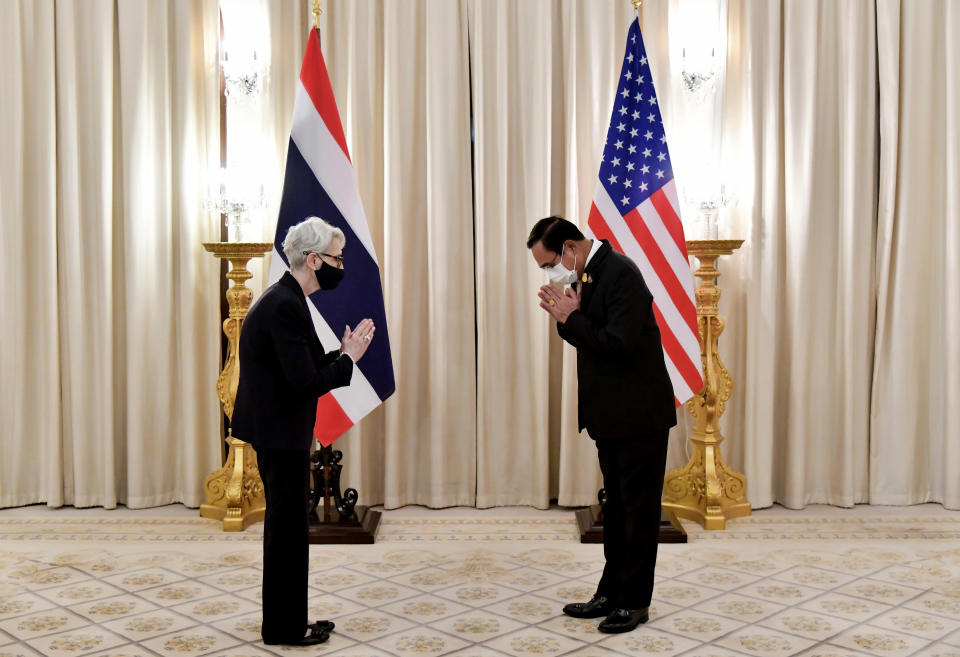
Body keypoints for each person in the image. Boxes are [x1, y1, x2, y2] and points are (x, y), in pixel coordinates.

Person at [526, 216, 676, 634]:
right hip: (611, 416)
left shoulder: (621, 273)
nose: (550, 273)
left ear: (571, 248)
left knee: (639, 513)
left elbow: (619, 344)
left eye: (549, 263)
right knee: (616, 508)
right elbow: (590, 336)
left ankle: (635, 601)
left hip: (639, 416)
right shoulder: (590, 273)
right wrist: (566, 320)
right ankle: (610, 593)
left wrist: (572, 318)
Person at [231, 216, 375, 647]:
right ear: (314, 260)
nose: (341, 265)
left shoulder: (287, 297)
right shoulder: (284, 303)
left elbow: (303, 364)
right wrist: (347, 360)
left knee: (289, 530)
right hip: (279, 433)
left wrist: (343, 353)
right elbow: (305, 381)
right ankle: (283, 628)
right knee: (287, 533)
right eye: (336, 257)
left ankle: (290, 620)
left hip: (279, 429)